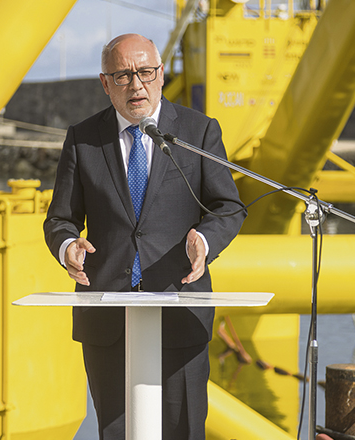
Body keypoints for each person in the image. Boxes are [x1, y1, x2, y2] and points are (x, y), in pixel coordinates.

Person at [43, 34, 246, 440]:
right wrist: (69, 247)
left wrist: (203, 242)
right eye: (122, 75)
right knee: (116, 432)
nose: (136, 85)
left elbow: (228, 207)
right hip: (107, 315)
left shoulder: (198, 131)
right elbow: (60, 219)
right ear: (105, 83)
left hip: (180, 308)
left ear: (161, 74)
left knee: (183, 430)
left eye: (145, 72)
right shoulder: (83, 139)